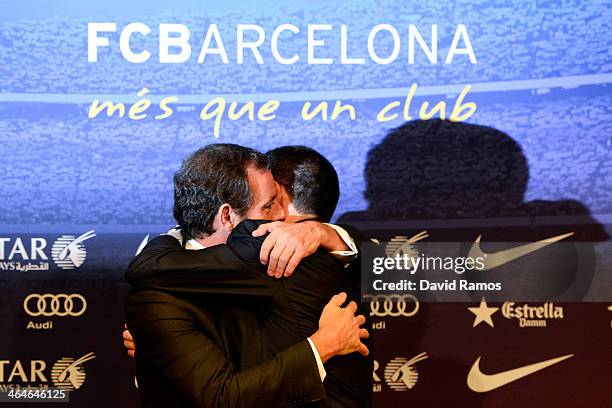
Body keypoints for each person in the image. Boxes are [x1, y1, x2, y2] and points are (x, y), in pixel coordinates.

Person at [126, 146, 373, 407]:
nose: (281, 216)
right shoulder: (163, 294)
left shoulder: (289, 258)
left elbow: (410, 273)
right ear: (227, 215)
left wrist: (325, 233)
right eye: (269, 205)